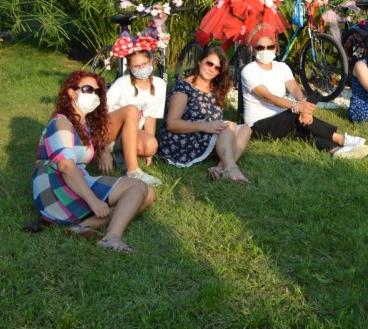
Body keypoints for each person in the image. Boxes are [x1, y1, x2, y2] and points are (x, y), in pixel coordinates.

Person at [32, 71, 154, 253]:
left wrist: (103, 151)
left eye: (97, 92)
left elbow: (94, 146)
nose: (94, 95)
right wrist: (94, 201)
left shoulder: (84, 125)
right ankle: (111, 238)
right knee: (138, 187)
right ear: (71, 92)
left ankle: (83, 226)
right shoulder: (61, 123)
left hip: (72, 181)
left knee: (148, 194)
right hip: (56, 188)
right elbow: (65, 166)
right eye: (88, 89)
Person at [241, 27, 368, 158]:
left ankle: (335, 150)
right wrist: (297, 107)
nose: (265, 50)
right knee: (294, 115)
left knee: (303, 130)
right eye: (260, 47)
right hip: (257, 125)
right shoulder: (249, 71)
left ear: (275, 48)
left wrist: (304, 108)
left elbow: (294, 88)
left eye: (270, 47)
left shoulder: (282, 67)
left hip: (282, 120)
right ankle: (342, 139)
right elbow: (268, 97)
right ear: (253, 49)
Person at [158, 44, 253, 183]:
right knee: (229, 126)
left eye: (217, 68)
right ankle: (231, 168)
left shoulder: (216, 89)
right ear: (199, 61)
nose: (212, 69)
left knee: (246, 129)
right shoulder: (184, 87)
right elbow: (171, 124)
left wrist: (210, 126)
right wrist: (204, 126)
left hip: (205, 135)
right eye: (209, 63)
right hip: (183, 139)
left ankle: (221, 168)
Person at [95, 35, 163, 187]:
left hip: (129, 134)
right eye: (137, 66)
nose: (142, 69)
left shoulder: (160, 85)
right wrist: (102, 149)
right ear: (130, 68)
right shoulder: (122, 83)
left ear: (151, 61)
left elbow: (151, 117)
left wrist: (149, 153)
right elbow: (99, 114)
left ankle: (120, 152)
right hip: (108, 131)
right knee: (132, 111)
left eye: (145, 64)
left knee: (151, 145)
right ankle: (133, 171)